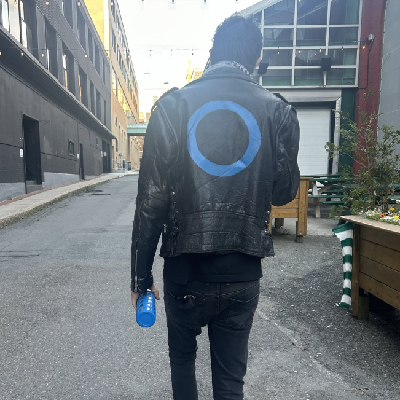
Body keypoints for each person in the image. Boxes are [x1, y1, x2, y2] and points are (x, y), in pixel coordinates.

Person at [130, 14, 300, 400]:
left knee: (182, 360)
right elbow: (283, 193)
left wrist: (141, 278)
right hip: (242, 270)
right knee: (229, 380)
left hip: (185, 271)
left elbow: (151, 201)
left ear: (213, 53)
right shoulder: (277, 111)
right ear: (257, 60)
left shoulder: (172, 106)